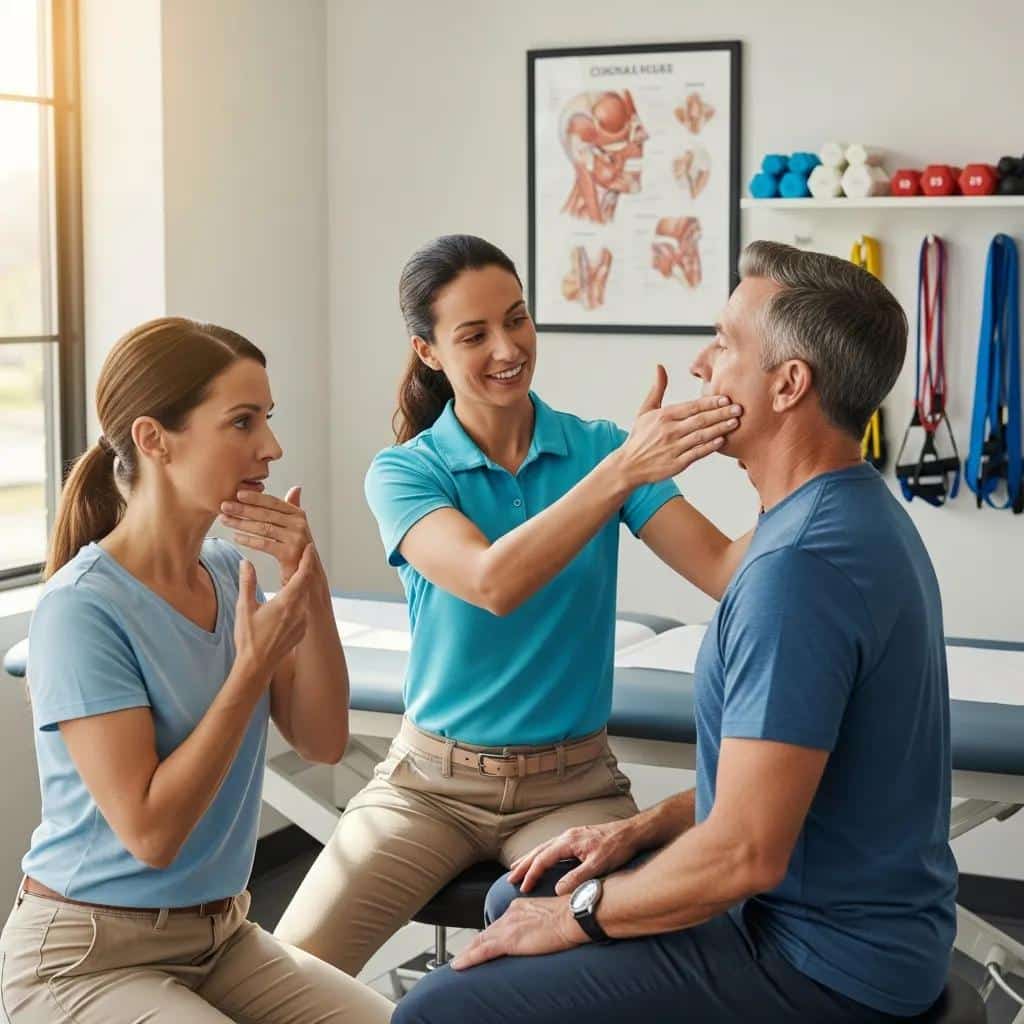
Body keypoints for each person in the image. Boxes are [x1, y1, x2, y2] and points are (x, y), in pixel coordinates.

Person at [394, 240, 958, 1023]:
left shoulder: (800, 568)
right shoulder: (844, 515)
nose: (700, 364)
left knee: (436, 1011)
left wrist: (577, 917)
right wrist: (639, 830)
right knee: (515, 890)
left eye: (724, 343)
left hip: (824, 962)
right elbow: (786, 777)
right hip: (848, 925)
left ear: (790, 384)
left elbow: (744, 852)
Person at [275, 234, 752, 975]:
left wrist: (814, 463)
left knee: (642, 974)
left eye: (518, 318)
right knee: (288, 972)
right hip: (429, 786)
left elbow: (727, 569)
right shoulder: (405, 472)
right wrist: (621, 471)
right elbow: (493, 582)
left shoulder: (597, 449)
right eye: (474, 334)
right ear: (428, 351)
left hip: (573, 789)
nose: (507, 347)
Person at [0, 318, 392, 1023]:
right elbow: (151, 834)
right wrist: (249, 673)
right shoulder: (81, 610)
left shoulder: (227, 570)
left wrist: (307, 574)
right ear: (154, 440)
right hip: (86, 957)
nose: (270, 448)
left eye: (267, 420)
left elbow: (324, 742)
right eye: (242, 423)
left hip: (221, 938)